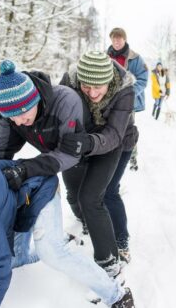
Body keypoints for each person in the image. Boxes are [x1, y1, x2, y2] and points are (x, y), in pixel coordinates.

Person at [0, 159, 134, 308]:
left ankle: (116, 295)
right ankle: (62, 238)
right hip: (8, 205)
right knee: (15, 259)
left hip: (36, 187)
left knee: (52, 252)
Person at [59, 51, 138, 271]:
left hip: (119, 141)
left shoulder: (124, 89)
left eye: (98, 87)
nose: (92, 94)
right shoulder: (69, 81)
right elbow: (54, 105)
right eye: (86, 87)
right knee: (74, 193)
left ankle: (120, 242)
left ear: (109, 80)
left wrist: (88, 143)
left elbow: (114, 134)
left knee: (107, 191)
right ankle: (88, 222)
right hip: (81, 138)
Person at [0, 60, 84, 190]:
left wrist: (26, 169)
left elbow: (69, 152)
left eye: (21, 112)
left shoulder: (66, 102)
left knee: (89, 199)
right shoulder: (12, 117)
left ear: (34, 100)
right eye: (11, 117)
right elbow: (0, 152)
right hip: (62, 156)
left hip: (97, 148)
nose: (18, 122)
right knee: (74, 198)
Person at [107, 28, 148, 171]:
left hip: (128, 102)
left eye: (119, 38)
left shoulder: (135, 58)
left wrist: (129, 94)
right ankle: (111, 155)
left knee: (127, 129)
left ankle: (131, 156)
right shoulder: (105, 56)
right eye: (114, 39)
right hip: (108, 102)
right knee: (110, 128)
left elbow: (142, 80)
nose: (116, 41)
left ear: (125, 39)